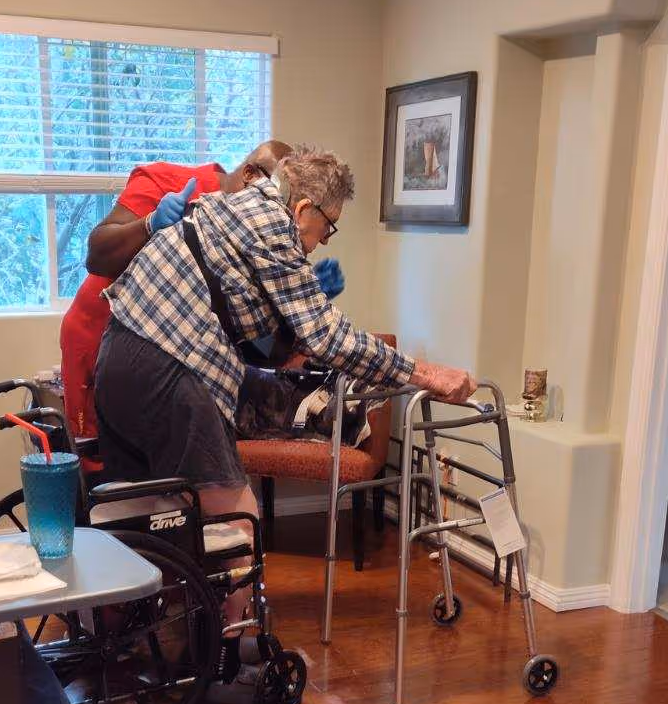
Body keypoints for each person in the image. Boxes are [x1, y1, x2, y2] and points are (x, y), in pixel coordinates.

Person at [94, 144, 474, 669]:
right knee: (237, 517)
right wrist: (424, 373)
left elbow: (256, 329)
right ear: (304, 209)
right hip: (168, 365)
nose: (322, 242)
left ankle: (127, 643)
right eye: (328, 227)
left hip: (119, 358)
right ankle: (225, 657)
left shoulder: (236, 207)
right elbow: (325, 335)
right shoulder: (273, 223)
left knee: (149, 512)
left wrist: (298, 327)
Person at [59, 143, 291, 445]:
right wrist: (150, 224)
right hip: (102, 339)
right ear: (250, 174)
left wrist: (289, 313)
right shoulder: (168, 182)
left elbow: (253, 343)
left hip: (164, 362)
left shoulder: (250, 232)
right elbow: (96, 255)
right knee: (98, 459)